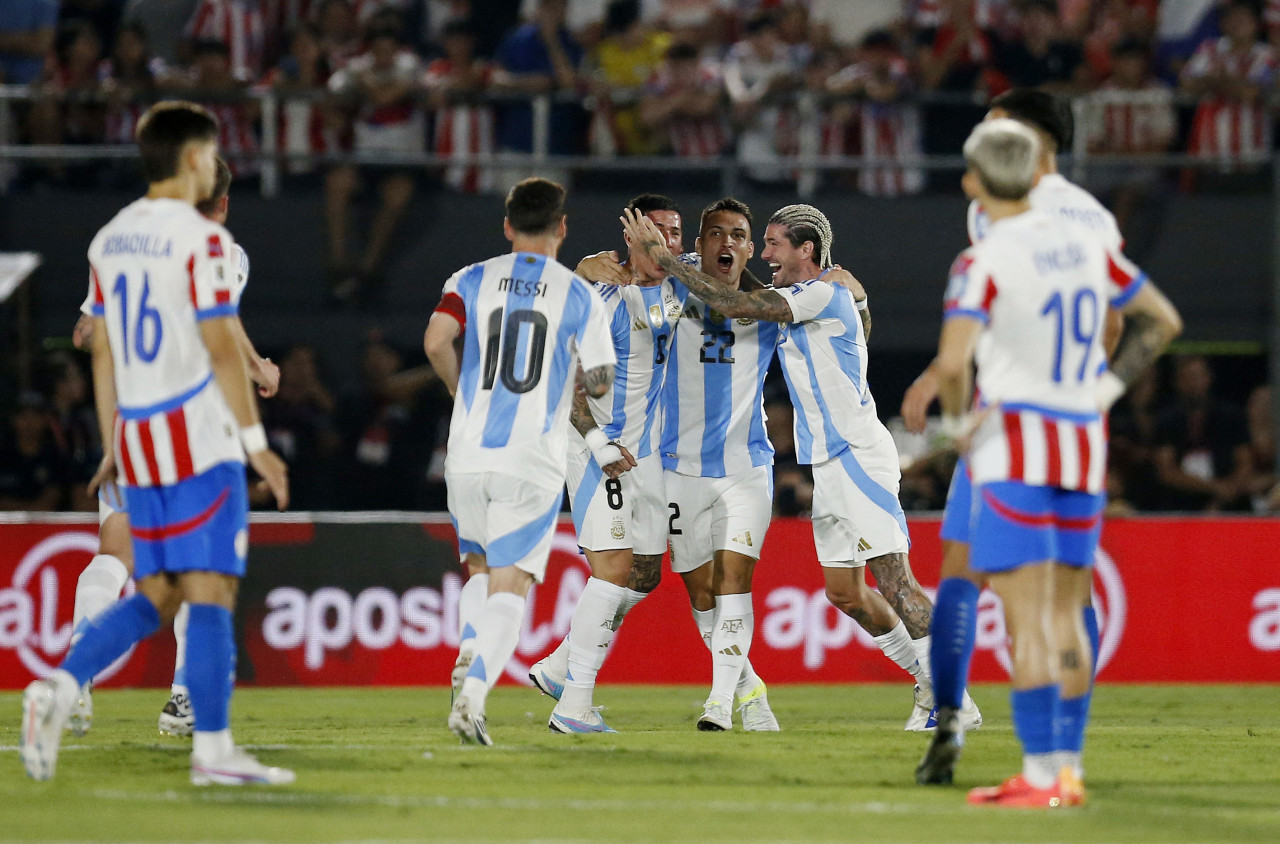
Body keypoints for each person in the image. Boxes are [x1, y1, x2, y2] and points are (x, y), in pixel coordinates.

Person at [622, 203, 979, 733]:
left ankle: (952, 701)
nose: (764, 255)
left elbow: (729, 299)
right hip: (826, 463)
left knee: (895, 581)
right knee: (845, 593)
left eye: (773, 244)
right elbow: (851, 321)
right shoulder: (817, 297)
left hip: (857, 453)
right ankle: (928, 683)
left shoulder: (819, 292)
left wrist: (663, 259)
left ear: (806, 250)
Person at [20, 102, 292, 786]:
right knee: (210, 590)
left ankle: (58, 684)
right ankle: (215, 749)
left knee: (160, 590)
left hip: (138, 439)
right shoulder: (206, 243)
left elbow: (101, 349)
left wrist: (112, 437)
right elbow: (220, 344)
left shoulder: (111, 239)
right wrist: (256, 443)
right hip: (197, 436)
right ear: (194, 161)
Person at [931, 118, 1180, 807]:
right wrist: (1101, 390)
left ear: (974, 183)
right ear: (1040, 172)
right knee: (1071, 611)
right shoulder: (1084, 244)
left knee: (1031, 615)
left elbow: (955, 362)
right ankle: (1067, 769)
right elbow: (1162, 320)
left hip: (1015, 446)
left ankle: (1039, 775)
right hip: (1083, 444)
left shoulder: (981, 260)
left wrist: (958, 428)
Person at [904, 88, 1130, 786]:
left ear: (1029, 141)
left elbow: (990, 315)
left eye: (997, 131)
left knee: (967, 577)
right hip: (1076, 428)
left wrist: (948, 391)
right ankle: (1066, 754)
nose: (984, 144)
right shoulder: (1095, 219)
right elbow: (1120, 322)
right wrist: (1093, 391)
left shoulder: (995, 214)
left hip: (1006, 428)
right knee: (1071, 597)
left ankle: (949, 725)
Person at [65, 155, 280, 740]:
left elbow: (89, 333)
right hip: (192, 428)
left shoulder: (115, 243)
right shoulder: (224, 254)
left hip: (131, 423)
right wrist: (258, 384)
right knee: (202, 564)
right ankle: (186, 697)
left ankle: (72, 675)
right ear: (224, 203)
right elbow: (217, 328)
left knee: (117, 548)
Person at [424, 177, 616, 746]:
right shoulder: (577, 293)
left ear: (508, 226)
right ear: (562, 227)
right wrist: (584, 378)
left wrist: (463, 396)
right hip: (530, 455)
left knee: (478, 568)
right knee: (513, 583)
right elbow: (601, 383)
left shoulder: (471, 278)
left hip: (466, 452)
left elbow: (436, 341)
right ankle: (474, 697)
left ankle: (466, 651)